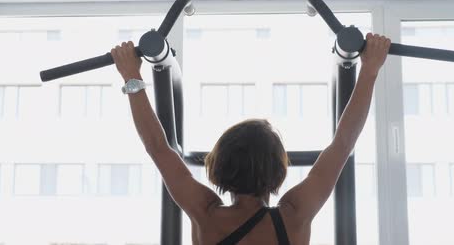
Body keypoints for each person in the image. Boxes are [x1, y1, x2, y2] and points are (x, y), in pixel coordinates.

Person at [111, 33, 391, 245]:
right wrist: (370, 70)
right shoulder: (294, 216)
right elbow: (343, 144)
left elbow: (158, 148)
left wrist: (131, 75)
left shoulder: (207, 215)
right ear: (279, 170)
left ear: (218, 166)